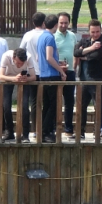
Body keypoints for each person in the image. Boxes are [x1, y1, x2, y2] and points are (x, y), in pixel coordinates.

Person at [74, 20, 102, 138]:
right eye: (93, 32)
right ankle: (80, 131)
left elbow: (96, 57)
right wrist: (91, 48)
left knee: (98, 106)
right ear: (89, 31)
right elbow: (76, 52)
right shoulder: (85, 40)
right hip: (84, 79)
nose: (95, 34)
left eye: (97, 31)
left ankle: (97, 131)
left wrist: (84, 53)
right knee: (81, 106)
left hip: (97, 79)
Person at [36, 13, 65, 143]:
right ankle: (45, 131)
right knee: (54, 105)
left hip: (43, 75)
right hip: (51, 75)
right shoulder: (49, 37)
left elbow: (39, 57)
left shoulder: (41, 37)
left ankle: (42, 131)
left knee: (47, 105)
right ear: (55, 25)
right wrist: (61, 71)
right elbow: (49, 56)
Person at [18, 12, 45, 140]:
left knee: (28, 102)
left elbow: (20, 50)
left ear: (33, 23)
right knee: (40, 102)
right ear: (44, 22)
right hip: (43, 72)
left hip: (30, 71)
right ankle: (39, 129)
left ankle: (29, 131)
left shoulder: (27, 35)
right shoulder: (47, 35)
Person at [0, 47, 34, 142]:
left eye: (22, 64)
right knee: (6, 106)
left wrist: (26, 79)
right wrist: (14, 78)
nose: (19, 66)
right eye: (18, 63)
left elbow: (33, 76)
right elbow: (0, 76)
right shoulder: (6, 56)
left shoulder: (29, 57)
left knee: (25, 106)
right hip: (8, 78)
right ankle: (9, 132)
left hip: (23, 80)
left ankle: (25, 134)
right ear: (13, 57)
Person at [54, 12, 78, 138]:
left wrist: (74, 66)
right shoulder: (52, 36)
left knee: (69, 102)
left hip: (70, 71)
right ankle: (53, 129)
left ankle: (68, 129)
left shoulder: (72, 36)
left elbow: (75, 52)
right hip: (56, 72)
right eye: (61, 23)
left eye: (65, 23)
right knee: (55, 102)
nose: (63, 25)